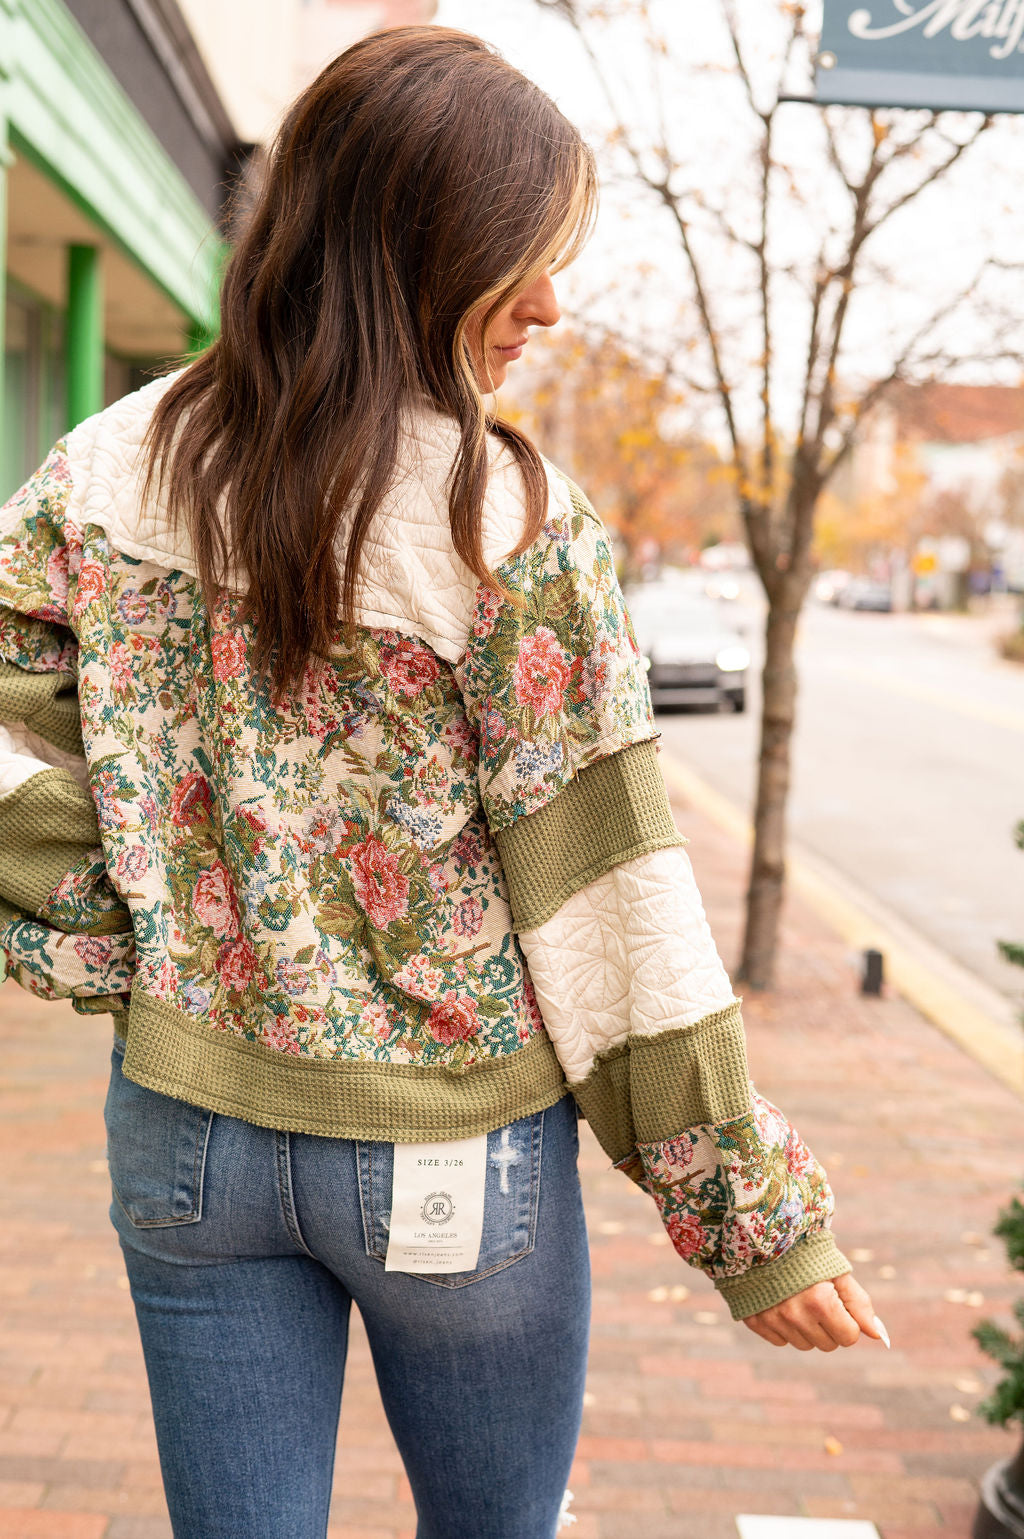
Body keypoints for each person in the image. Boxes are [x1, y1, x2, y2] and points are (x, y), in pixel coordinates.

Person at [0, 25, 887, 1539]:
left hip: (188, 1133)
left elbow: (13, 747)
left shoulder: (100, 468)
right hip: (453, 1169)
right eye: (516, 261)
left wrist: (139, 925)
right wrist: (756, 1225)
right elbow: (614, 906)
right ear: (403, 249)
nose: (551, 303)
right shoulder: (505, 519)